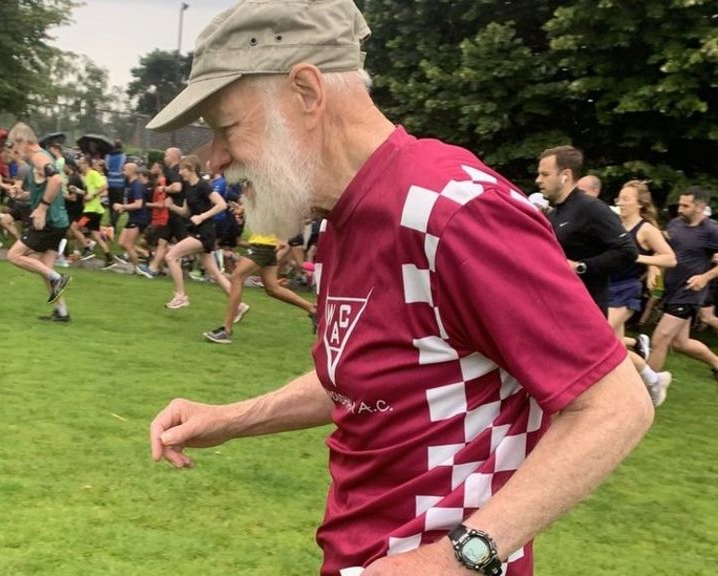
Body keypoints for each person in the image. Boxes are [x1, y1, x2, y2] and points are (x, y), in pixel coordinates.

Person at [146, 3, 653, 575]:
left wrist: (461, 556)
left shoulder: (456, 212)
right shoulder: (344, 216)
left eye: (226, 127)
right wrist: (231, 418)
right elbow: (371, 371)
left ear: (306, 93)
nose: (216, 158)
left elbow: (614, 403)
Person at [536, 145, 638, 315]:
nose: (538, 180)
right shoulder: (554, 215)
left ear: (565, 176)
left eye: (545, 174)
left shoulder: (591, 208)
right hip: (558, 308)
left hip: (586, 313)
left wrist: (581, 266)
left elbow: (627, 251)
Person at [608, 180, 677, 406]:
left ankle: (647, 379)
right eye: (620, 197)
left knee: (599, 337)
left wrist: (641, 259)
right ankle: (653, 379)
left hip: (627, 290)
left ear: (640, 204)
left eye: (627, 198)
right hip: (607, 287)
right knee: (615, 347)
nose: (621, 202)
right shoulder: (615, 224)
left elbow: (670, 258)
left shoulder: (646, 229)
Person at [647, 186, 718, 385]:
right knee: (680, 342)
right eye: (680, 204)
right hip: (671, 289)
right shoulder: (676, 224)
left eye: (686, 206)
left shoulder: (711, 230)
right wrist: (653, 267)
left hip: (689, 293)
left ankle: (649, 386)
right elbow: (662, 249)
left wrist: (705, 277)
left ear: (700, 207)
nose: (680, 209)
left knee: (660, 338)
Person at [204, 224, 318, 345]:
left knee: (237, 277)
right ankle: (312, 309)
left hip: (263, 246)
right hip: (265, 246)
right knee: (272, 289)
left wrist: (281, 240)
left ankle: (226, 329)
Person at [5, 122, 72, 321]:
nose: (15, 151)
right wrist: (23, 195)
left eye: (15, 146)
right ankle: (62, 312)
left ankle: (58, 278)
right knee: (44, 267)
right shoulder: (40, 158)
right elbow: (46, 188)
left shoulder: (38, 157)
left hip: (48, 222)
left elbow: (57, 180)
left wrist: (41, 208)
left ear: (23, 141)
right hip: (58, 222)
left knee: (14, 255)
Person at [162, 155, 231, 309]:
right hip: (198, 231)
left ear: (191, 169)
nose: (180, 173)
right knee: (215, 274)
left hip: (205, 233)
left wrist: (202, 216)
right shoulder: (188, 187)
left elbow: (221, 204)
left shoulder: (203, 186)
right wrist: (172, 206)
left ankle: (181, 296)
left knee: (171, 256)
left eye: (182, 169)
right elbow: (186, 212)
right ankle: (238, 305)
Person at [111, 163, 150, 271]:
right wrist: (123, 209)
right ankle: (145, 253)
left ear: (131, 171)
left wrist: (122, 206)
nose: (123, 171)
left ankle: (138, 269)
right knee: (122, 243)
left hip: (139, 218)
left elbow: (138, 204)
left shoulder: (137, 184)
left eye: (124, 169)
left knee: (128, 244)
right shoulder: (130, 184)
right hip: (132, 217)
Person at [76, 156, 114, 263]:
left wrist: (92, 195)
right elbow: (87, 193)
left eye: (81, 163)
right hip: (95, 210)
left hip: (91, 210)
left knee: (75, 227)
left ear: (87, 164)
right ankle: (109, 258)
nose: (79, 165)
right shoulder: (86, 176)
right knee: (96, 235)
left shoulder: (93, 173)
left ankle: (87, 249)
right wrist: (78, 191)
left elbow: (104, 186)